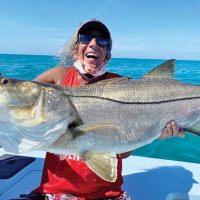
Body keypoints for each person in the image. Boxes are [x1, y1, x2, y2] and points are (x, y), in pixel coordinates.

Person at [18, 19, 184, 200]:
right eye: (86, 38)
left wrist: (154, 132)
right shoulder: (58, 76)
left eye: (102, 41)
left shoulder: (123, 87)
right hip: (53, 193)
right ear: (75, 50)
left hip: (107, 195)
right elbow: (24, 96)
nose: (94, 43)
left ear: (107, 55)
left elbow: (122, 152)